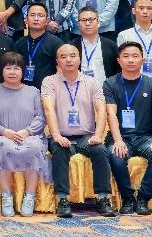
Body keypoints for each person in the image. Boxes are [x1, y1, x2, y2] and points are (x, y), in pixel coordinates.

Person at [40, 43, 115, 218]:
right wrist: (56, 135)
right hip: (60, 135)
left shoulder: (92, 82)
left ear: (79, 59)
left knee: (100, 150)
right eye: (63, 57)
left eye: (72, 56)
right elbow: (49, 109)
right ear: (57, 61)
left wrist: (98, 135)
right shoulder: (49, 82)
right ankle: (62, 200)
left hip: (86, 136)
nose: (68, 60)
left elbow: (101, 110)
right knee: (60, 150)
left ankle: (103, 198)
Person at [0, 52, 52, 217]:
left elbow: (41, 117)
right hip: (0, 136)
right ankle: (6, 195)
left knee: (34, 147)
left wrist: (27, 131)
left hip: (29, 135)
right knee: (2, 147)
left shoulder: (34, 91)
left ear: (23, 71)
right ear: (1, 70)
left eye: (16, 68)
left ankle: (29, 196)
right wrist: (4, 131)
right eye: (8, 68)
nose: (12, 72)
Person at [103, 42, 152, 215]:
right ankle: (127, 198)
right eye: (126, 56)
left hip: (145, 137)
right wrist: (118, 141)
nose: (130, 60)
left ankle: (143, 198)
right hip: (121, 137)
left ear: (143, 60)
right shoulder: (110, 83)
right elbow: (111, 114)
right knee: (116, 156)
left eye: (135, 56)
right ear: (119, 60)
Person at [14, 2, 64, 88]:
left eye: (40, 15)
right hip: (22, 91)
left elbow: (61, 71)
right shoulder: (19, 43)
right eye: (32, 15)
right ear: (26, 20)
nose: (36, 19)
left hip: (47, 91)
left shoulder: (56, 43)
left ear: (47, 21)